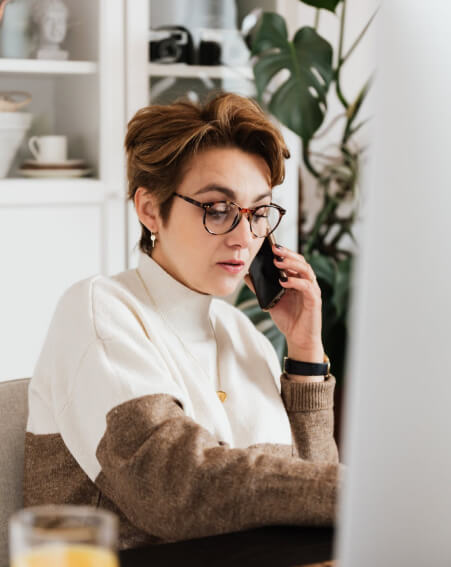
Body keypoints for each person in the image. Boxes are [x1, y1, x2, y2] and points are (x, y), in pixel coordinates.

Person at [24, 92, 342, 549]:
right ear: (150, 209)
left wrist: (306, 354)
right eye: (218, 209)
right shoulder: (98, 310)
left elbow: (310, 502)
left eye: (259, 213)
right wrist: (366, 489)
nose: (244, 237)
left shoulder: (242, 335)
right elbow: (174, 490)